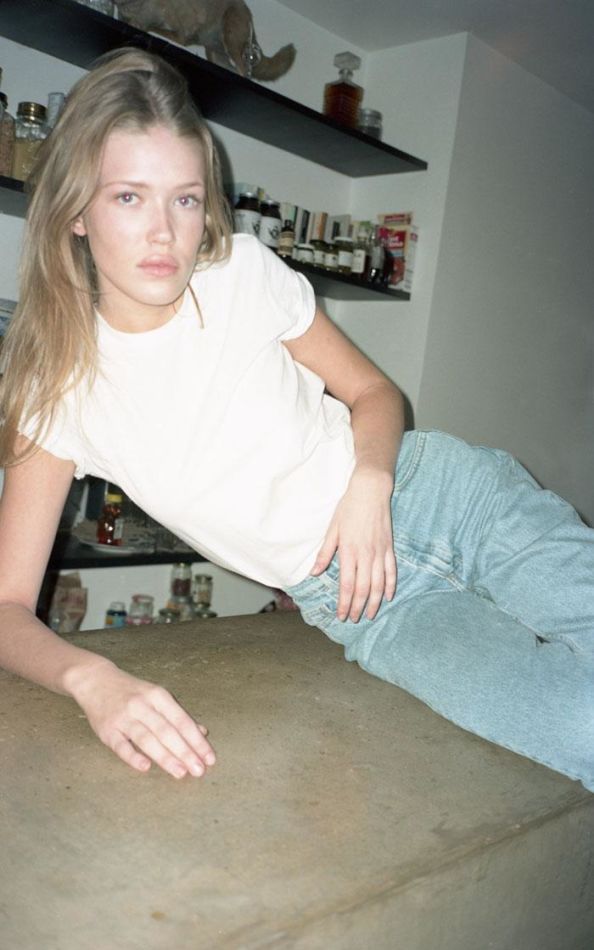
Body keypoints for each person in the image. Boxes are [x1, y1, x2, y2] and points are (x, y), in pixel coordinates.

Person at [0, 49, 592, 791]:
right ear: (76, 211)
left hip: (445, 497)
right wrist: (93, 680)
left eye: (185, 199)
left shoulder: (240, 271)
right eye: (128, 197)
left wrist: (370, 483)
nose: (164, 232)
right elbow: (7, 606)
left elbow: (374, 392)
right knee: (581, 728)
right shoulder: (56, 390)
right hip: (368, 606)